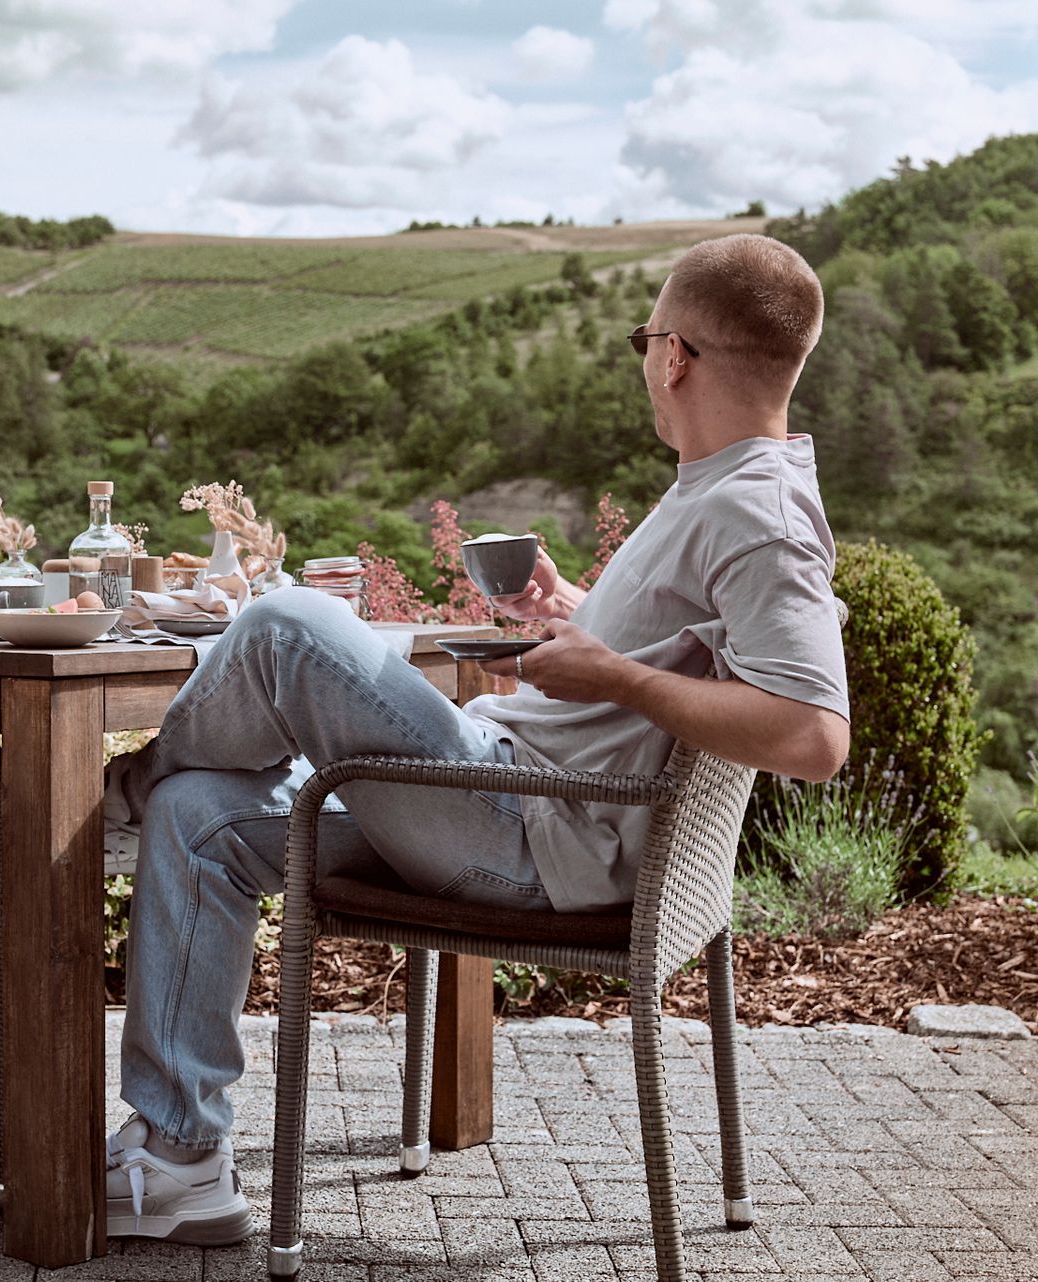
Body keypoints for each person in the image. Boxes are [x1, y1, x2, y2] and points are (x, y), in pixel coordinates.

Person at [101, 233, 851, 1243]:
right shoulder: (722, 484)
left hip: (532, 833)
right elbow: (686, 658)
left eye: (646, 338)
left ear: (673, 353)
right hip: (514, 800)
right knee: (202, 819)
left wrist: (615, 673)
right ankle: (181, 1156)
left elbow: (813, 734)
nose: (645, 362)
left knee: (284, 627)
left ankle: (106, 802)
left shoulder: (757, 511)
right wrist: (577, 619)